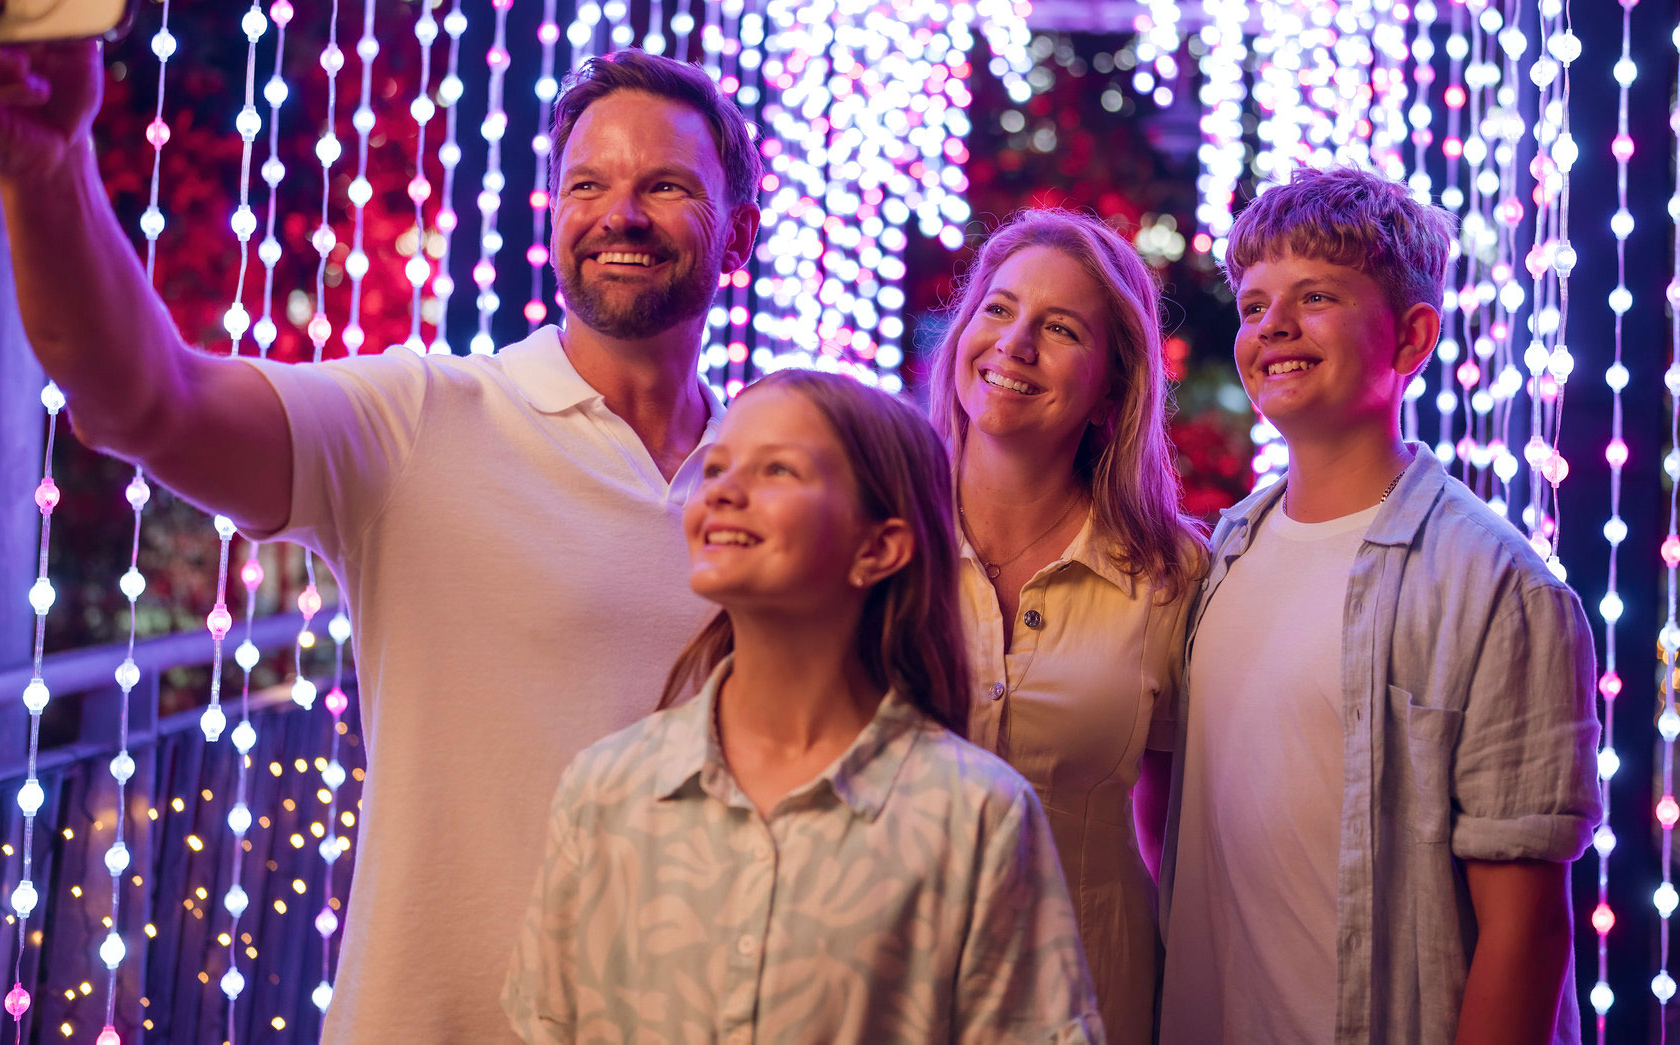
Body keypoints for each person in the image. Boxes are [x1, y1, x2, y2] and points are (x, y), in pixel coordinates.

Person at [0, 0, 763, 1038]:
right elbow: (142, 398)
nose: (620, 213)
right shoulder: (426, 417)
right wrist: (45, 167)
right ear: (550, 220)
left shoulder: (771, 472)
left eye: (668, 186)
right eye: (586, 185)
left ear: (737, 234)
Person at [503, 369, 1107, 1044]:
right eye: (718, 466)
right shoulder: (605, 790)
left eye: (779, 470)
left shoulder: (977, 818)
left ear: (878, 546)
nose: (723, 490)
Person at [1159, 166, 1601, 1044]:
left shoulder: (1496, 585)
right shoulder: (1217, 560)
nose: (1272, 326)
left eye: (1315, 295)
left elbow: (1526, 928)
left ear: (1410, 338)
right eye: (1253, 305)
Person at [930, 208, 1208, 1045]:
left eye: (1058, 328)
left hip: (1086, 1002)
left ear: (1112, 391)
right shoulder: (874, 535)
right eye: (998, 309)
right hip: (887, 992)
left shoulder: (1171, 576)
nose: (1014, 345)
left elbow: (1182, 839)